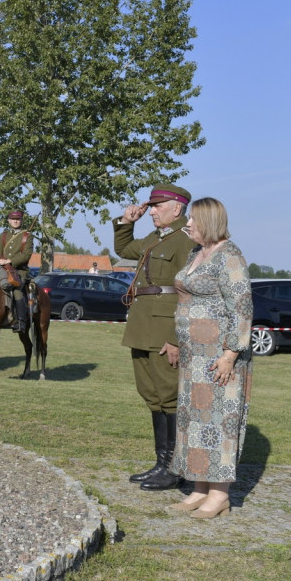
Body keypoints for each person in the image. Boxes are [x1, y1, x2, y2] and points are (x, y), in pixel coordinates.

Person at [166, 197, 252, 519]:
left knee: (218, 423)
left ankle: (219, 496)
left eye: (193, 220)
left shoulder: (230, 256)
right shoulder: (196, 253)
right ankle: (199, 490)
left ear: (210, 222)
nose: (187, 224)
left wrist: (230, 354)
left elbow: (242, 309)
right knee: (195, 423)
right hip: (194, 358)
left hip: (219, 358)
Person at [114, 183, 195, 491]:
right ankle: (161, 463)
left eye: (158, 206)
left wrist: (176, 337)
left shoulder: (185, 241)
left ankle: (176, 468)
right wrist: (126, 223)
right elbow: (123, 250)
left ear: (177, 208)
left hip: (165, 328)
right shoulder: (155, 238)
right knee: (150, 393)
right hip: (142, 324)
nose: (152, 211)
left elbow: (188, 293)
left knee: (169, 395)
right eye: (152, 206)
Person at [0, 209, 33, 332]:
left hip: (19, 271)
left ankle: (21, 321)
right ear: (9, 220)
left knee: (17, 290)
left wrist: (9, 261)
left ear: (21, 220)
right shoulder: (4, 235)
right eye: (13, 219)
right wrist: (0, 260)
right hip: (3, 270)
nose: (15, 221)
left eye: (18, 219)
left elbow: (26, 255)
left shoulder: (27, 235)